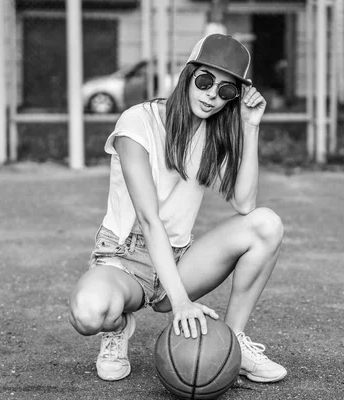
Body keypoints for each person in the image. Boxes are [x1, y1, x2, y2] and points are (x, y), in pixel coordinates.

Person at [68, 33, 287, 384]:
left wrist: (249, 126)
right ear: (188, 75)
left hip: (180, 257)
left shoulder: (216, 132)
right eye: (205, 81)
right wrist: (181, 302)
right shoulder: (137, 123)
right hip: (126, 258)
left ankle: (233, 345)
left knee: (266, 224)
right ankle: (119, 328)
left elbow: (245, 203)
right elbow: (149, 219)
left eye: (227, 91)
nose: (212, 95)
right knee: (87, 314)